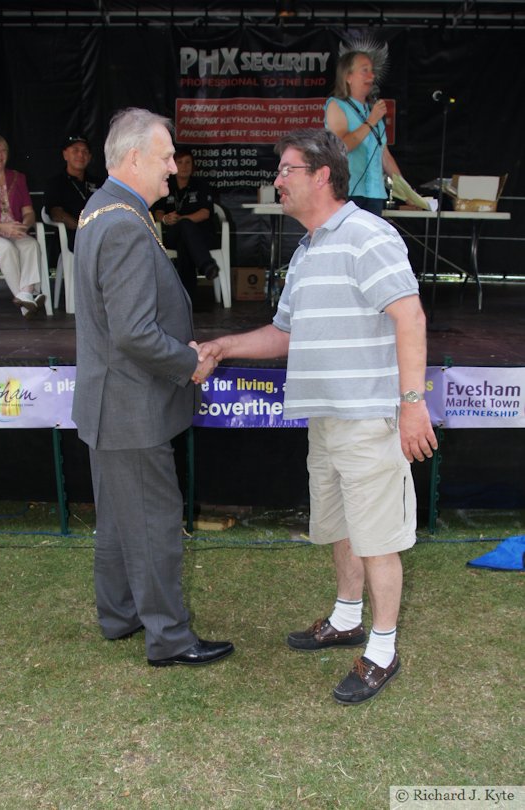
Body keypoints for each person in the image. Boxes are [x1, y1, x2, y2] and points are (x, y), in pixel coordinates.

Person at [198, 128, 437, 704]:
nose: (277, 181)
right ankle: (347, 617)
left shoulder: (367, 236)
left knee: (377, 537)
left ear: (321, 175)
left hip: (369, 420)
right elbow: (284, 334)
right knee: (340, 528)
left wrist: (411, 407)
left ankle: (381, 650)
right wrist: (225, 346)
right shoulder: (307, 249)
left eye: (285, 170)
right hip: (326, 420)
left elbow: (410, 318)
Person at [71, 108, 234, 668]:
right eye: (166, 156)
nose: (173, 167)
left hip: (108, 403)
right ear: (134, 157)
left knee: (119, 520)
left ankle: (119, 615)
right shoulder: (121, 222)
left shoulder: (102, 210)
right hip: (130, 407)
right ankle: (169, 637)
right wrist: (187, 363)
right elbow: (135, 333)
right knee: (155, 524)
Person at [325, 45, 402, 216]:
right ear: (348, 76)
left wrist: (406, 190)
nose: (372, 76)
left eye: (372, 71)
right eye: (365, 70)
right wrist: (371, 121)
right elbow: (341, 146)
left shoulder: (373, 112)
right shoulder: (336, 105)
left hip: (375, 193)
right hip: (348, 190)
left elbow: (385, 156)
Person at [0, 132, 46, 317]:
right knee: (6, 249)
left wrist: (24, 226)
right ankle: (25, 301)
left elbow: (28, 212)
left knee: (30, 244)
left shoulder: (17, 177)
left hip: (14, 229)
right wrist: (2, 228)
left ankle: (26, 294)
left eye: (3, 150)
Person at [151, 148, 219, 302]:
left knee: (185, 241)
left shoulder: (200, 185)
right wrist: (165, 219)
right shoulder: (166, 185)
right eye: (180, 162)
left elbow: (205, 213)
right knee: (183, 231)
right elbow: (157, 212)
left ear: (193, 165)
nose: (184, 166)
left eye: (188, 162)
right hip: (171, 235)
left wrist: (183, 219)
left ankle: (187, 299)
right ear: (173, 165)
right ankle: (206, 264)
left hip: (201, 236)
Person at [44, 135, 99, 250]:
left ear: (89, 157)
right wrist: (82, 227)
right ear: (65, 155)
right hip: (72, 236)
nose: (80, 155)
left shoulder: (100, 183)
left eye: (85, 151)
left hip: (99, 232)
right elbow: (56, 214)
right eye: (75, 150)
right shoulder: (55, 183)